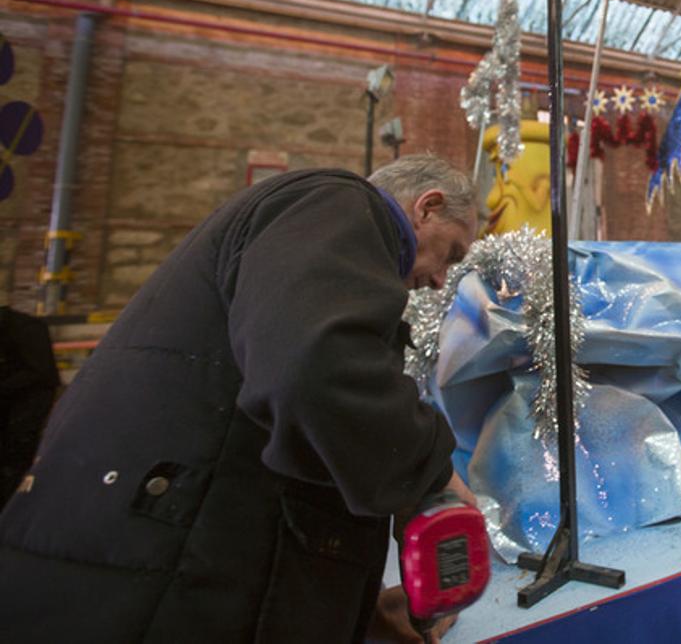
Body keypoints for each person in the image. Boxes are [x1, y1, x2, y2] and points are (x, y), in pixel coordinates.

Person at [0, 154, 477, 643]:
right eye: (452, 254)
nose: (442, 279)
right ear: (427, 207)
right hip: (148, 581)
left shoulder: (305, 238)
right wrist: (429, 469)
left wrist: (358, 607)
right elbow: (316, 368)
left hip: (140, 568)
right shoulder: (340, 202)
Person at [0, 306, 59, 510]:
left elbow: (42, 375)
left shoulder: (25, 329)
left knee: (14, 466)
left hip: (25, 411)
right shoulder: (18, 328)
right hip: (19, 409)